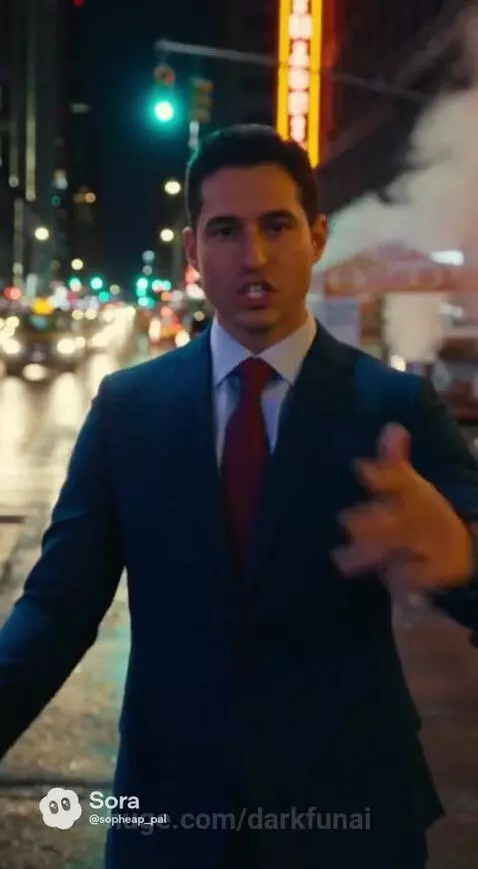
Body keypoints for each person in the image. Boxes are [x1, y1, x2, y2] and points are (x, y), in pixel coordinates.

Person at [1, 124, 478, 869]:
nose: (253, 256)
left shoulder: (393, 407)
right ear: (194, 251)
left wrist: (463, 560)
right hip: (171, 818)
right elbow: (57, 609)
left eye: (276, 226)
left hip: (349, 820)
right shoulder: (129, 409)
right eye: (226, 230)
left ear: (316, 237)